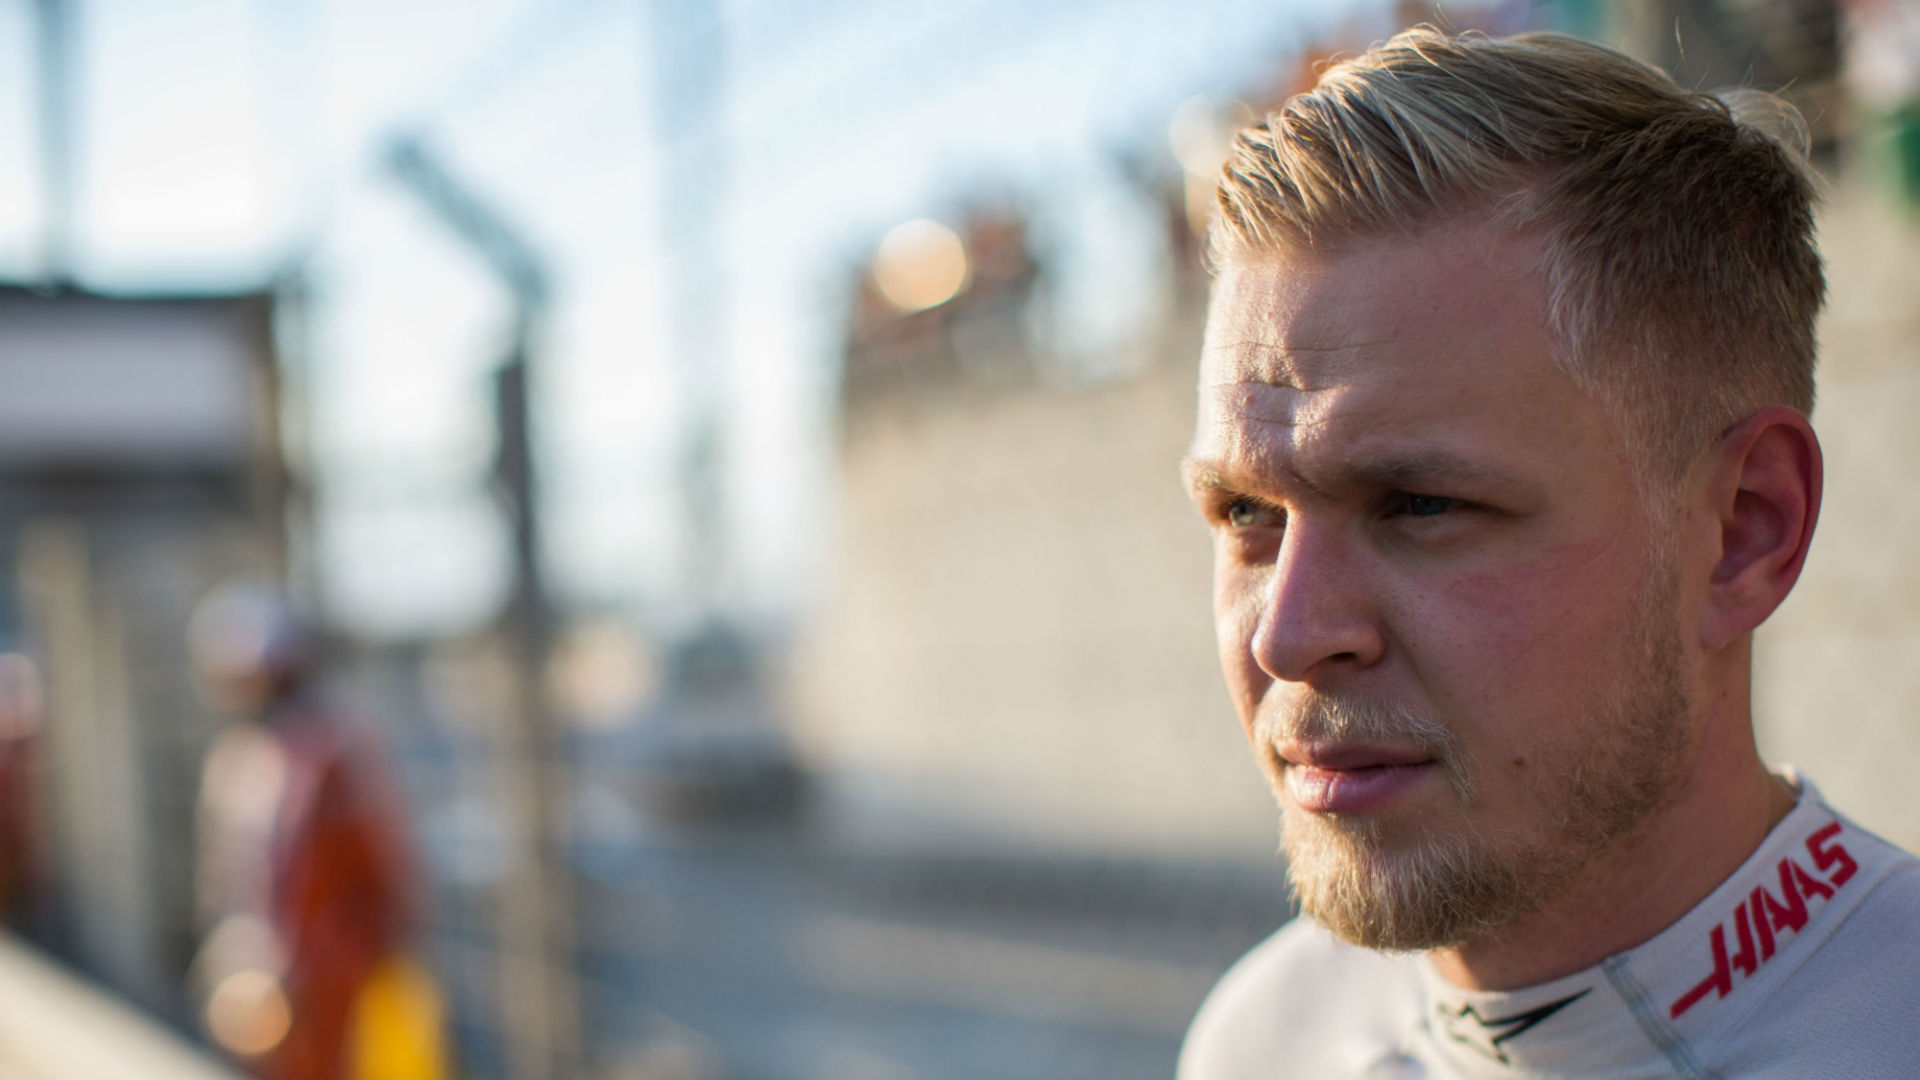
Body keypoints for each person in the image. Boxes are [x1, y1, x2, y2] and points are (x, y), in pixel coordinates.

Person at [1176, 27, 1920, 1079]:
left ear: (1744, 530)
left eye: (1422, 504)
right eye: (1249, 512)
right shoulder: (1261, 1039)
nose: (1290, 637)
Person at [190, 582, 446, 1080]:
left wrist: (348, 961)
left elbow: (378, 871)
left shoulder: (330, 753)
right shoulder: (237, 760)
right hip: (263, 980)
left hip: (330, 982)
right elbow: (227, 881)